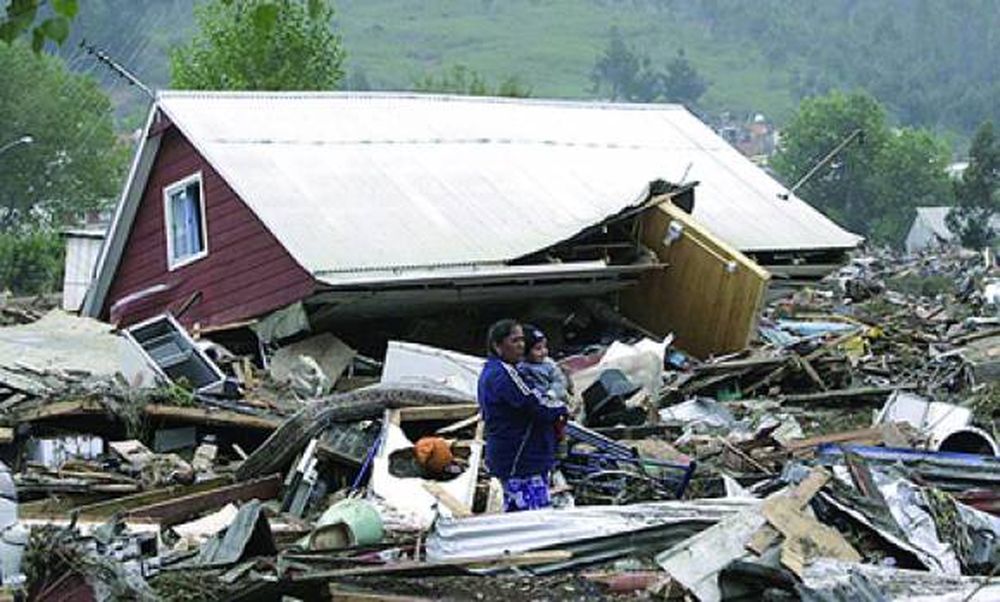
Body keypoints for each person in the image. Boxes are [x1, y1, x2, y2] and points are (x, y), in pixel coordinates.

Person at [477, 319, 567, 512]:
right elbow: (535, 405)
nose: (521, 346)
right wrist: (561, 408)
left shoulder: (498, 371)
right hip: (520, 457)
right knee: (533, 516)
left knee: (519, 514)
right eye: (514, 341)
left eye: (522, 340)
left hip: (515, 457)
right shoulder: (503, 374)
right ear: (497, 345)